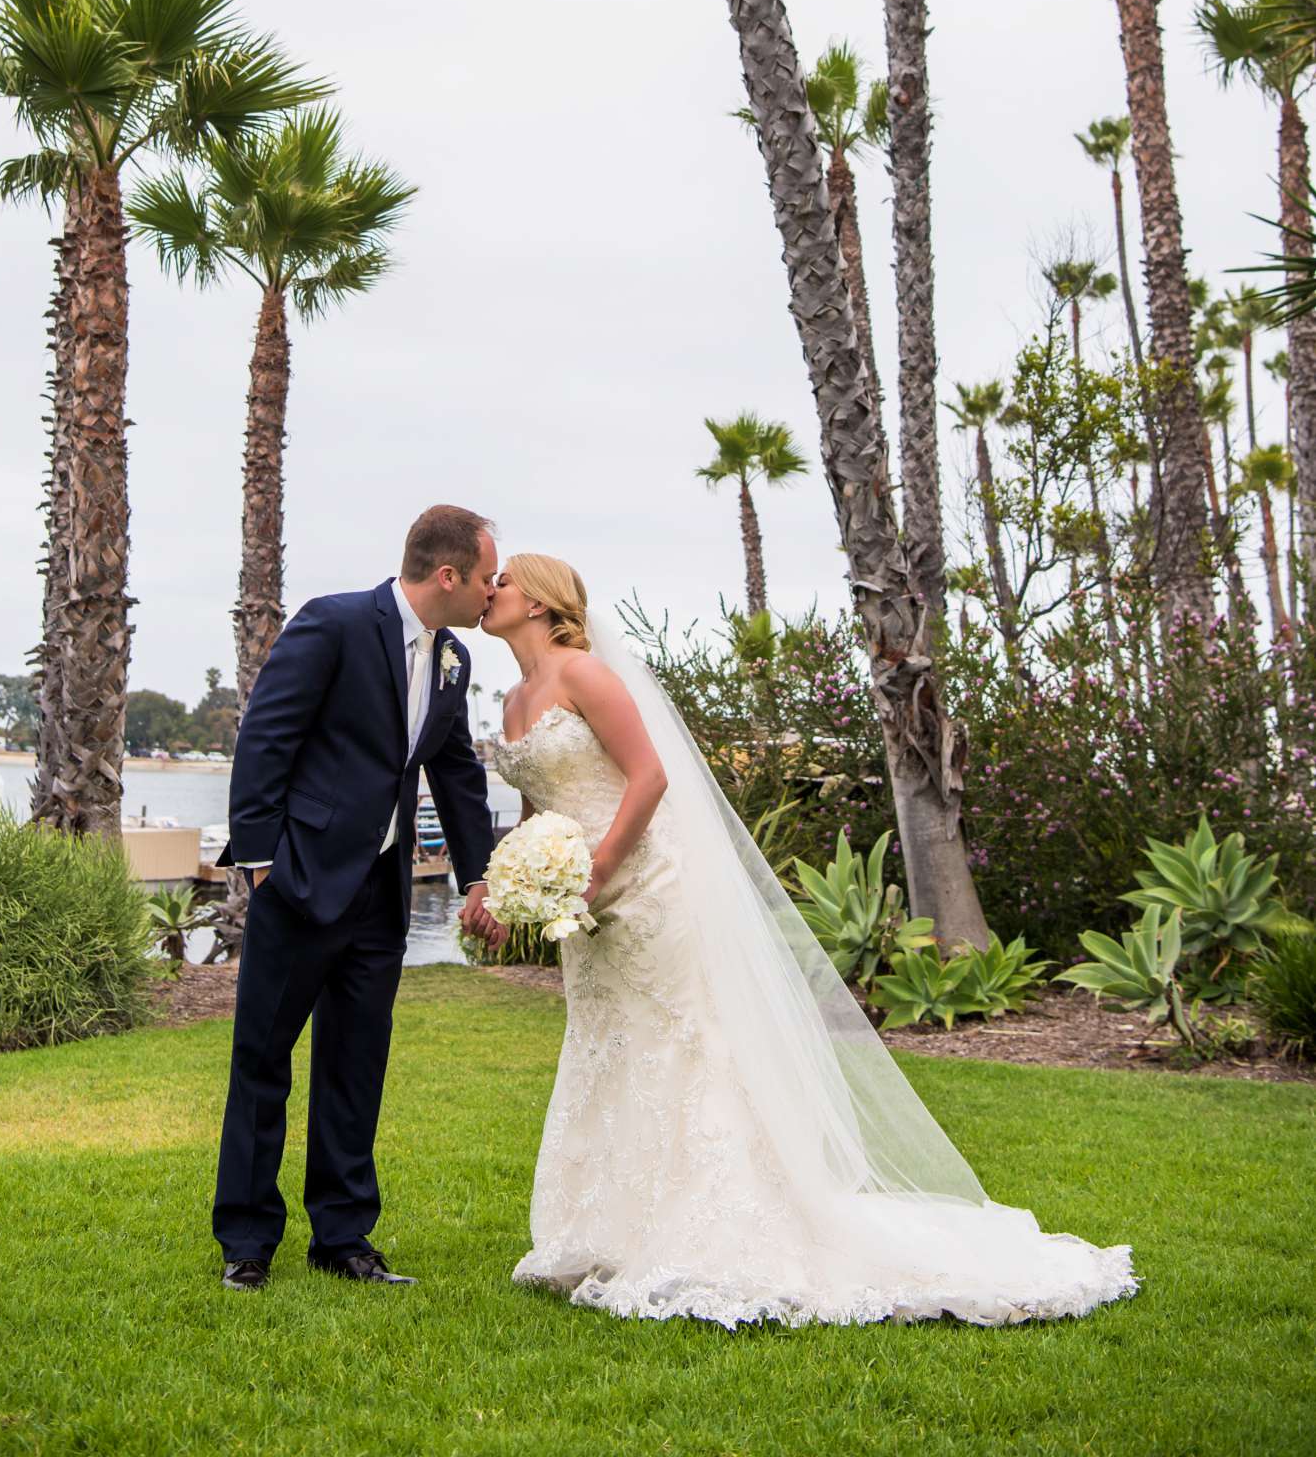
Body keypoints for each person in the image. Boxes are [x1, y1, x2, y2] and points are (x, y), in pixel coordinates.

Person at [482, 551, 1139, 1329]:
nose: (492, 590)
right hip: (584, 914)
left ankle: (716, 1230)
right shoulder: (516, 700)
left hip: (646, 890)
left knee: (684, 1042)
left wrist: (593, 869)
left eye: (504, 580)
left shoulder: (582, 674)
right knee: (610, 1045)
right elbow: (541, 810)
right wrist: (518, 884)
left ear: (540, 600)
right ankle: (614, 1228)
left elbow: (650, 775)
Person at [213, 503, 505, 1291]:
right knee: (263, 1061)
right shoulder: (334, 624)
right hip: (299, 882)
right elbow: (265, 737)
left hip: (383, 896)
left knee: (355, 1065)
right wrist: (262, 861)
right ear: (448, 576)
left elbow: (456, 773)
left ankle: (342, 1238)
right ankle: (246, 1242)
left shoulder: (453, 662)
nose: (493, 590)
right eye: (486, 577)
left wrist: (478, 873)